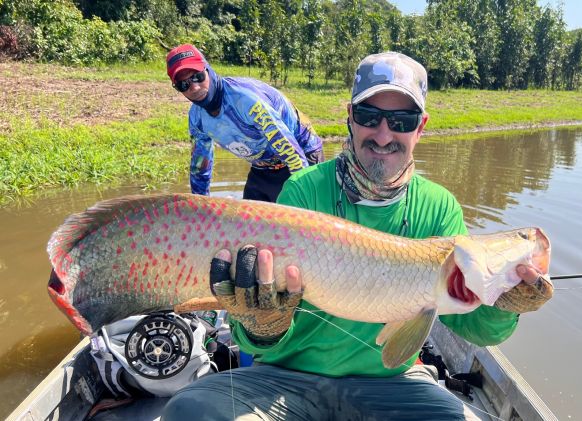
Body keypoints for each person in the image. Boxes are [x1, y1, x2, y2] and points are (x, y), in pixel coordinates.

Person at [162, 52, 552, 420]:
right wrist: (264, 324)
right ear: (350, 117)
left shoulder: (440, 207)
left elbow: (475, 331)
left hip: (391, 383)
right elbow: (253, 342)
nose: (383, 135)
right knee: (190, 410)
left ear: (421, 127)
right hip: (286, 379)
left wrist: (505, 304)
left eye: (401, 120)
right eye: (370, 115)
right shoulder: (302, 190)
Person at [166, 44, 324, 202]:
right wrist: (200, 207)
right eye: (183, 85)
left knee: (301, 214)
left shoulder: (245, 100)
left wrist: (306, 196)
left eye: (197, 76)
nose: (194, 87)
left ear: (208, 69)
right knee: (252, 221)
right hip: (263, 165)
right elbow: (200, 168)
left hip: (302, 153)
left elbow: (290, 151)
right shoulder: (196, 118)